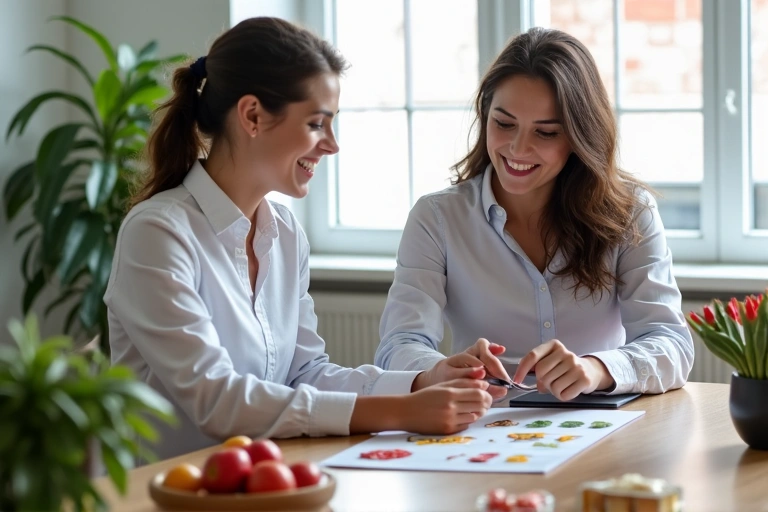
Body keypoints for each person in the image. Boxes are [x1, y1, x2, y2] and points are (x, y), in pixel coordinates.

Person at [104, 17, 495, 461]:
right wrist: (402, 411)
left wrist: (426, 379)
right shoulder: (157, 233)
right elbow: (216, 400)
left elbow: (306, 373)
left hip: (267, 483)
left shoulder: (285, 234)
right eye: (316, 124)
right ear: (252, 115)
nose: (331, 144)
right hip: (174, 491)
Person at [375, 27, 694, 401]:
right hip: (483, 428)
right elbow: (399, 345)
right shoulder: (437, 218)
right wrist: (435, 372)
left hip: (599, 426)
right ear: (485, 115)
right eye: (504, 123)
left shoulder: (631, 212)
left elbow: (671, 344)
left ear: (579, 136)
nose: (517, 148)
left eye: (545, 133)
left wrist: (597, 368)